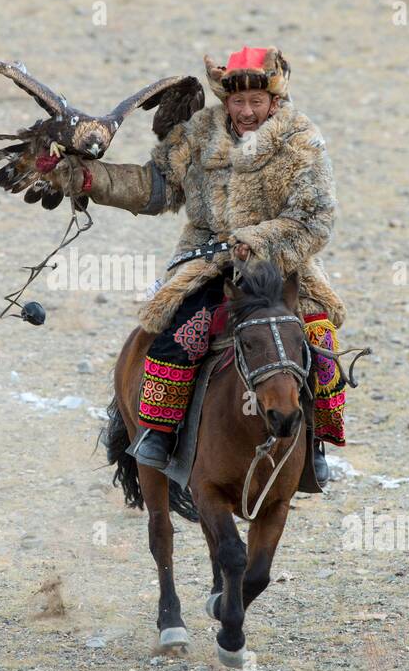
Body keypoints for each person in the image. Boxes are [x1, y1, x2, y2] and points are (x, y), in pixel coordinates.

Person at [49, 46, 347, 490]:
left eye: (256, 102)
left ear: (275, 101)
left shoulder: (301, 141)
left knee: (320, 345)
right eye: (237, 101)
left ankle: (316, 445)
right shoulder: (198, 135)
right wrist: (91, 180)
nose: (247, 111)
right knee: (179, 336)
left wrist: (258, 240)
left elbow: (316, 218)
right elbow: (155, 187)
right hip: (208, 260)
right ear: (225, 99)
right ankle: (156, 435)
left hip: (282, 268)